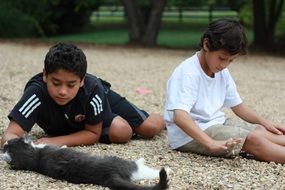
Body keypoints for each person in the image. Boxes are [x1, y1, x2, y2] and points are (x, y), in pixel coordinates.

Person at [164, 18, 285, 163]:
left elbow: (238, 106)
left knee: (261, 131)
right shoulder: (188, 73)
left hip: (216, 123)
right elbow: (180, 116)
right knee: (253, 139)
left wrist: (265, 122)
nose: (224, 65)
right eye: (222, 58)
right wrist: (210, 143)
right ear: (206, 44)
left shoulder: (221, 71)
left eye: (230, 61)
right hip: (189, 135)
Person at [1, 43, 165, 147]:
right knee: (119, 131)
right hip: (75, 117)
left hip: (99, 100)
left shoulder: (92, 89)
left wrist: (55, 142)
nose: (63, 91)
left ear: (81, 81)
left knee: (142, 129)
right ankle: (80, 130)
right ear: (45, 75)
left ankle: (166, 118)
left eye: (70, 84)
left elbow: (93, 134)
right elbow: (9, 134)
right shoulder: (36, 93)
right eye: (56, 83)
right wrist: (19, 149)